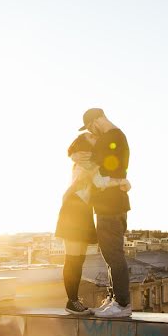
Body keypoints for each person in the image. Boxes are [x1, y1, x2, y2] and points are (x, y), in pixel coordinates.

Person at [55, 132, 130, 315]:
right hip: (75, 211)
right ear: (83, 143)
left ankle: (73, 300)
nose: (95, 137)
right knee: (73, 259)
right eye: (90, 136)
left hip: (82, 211)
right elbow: (99, 181)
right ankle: (71, 302)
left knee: (77, 259)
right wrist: (122, 181)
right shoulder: (85, 159)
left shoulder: (85, 158)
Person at [81, 108, 132, 318]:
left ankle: (121, 303)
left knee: (113, 255)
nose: (92, 132)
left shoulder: (108, 140)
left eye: (91, 127)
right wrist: (121, 181)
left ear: (96, 121)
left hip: (108, 206)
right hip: (116, 204)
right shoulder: (121, 137)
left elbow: (95, 175)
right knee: (112, 255)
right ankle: (115, 300)